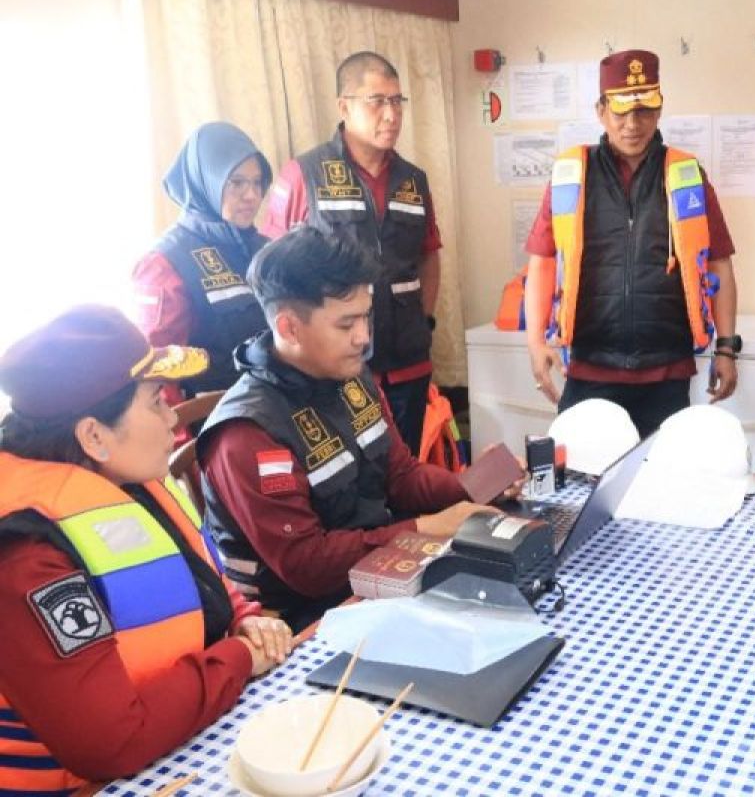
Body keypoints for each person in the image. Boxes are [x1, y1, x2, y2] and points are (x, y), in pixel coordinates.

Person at [0, 306, 293, 791]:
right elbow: (112, 741)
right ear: (94, 435)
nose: (173, 418)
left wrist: (243, 616)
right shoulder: (26, 557)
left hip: (176, 747)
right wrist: (238, 656)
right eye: (157, 401)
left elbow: (194, 581)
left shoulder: (126, 483)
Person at [197, 228, 504, 632]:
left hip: (379, 575)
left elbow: (400, 476)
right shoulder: (246, 434)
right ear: (289, 328)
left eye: (366, 317)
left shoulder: (350, 375)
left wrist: (475, 486)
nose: (363, 337)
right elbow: (307, 565)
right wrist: (423, 529)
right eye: (346, 325)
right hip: (301, 620)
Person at [522, 49, 740, 438]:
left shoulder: (687, 176)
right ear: (601, 110)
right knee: (578, 486)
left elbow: (719, 263)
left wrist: (726, 348)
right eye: (621, 112)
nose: (632, 125)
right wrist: (536, 341)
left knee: (661, 486)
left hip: (666, 371)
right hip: (589, 369)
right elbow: (542, 261)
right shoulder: (571, 175)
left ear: (659, 110)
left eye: (643, 111)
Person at [262, 52, 441, 458]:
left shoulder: (414, 179)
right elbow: (273, 269)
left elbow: (429, 255)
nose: (391, 115)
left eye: (397, 102)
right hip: (336, 371)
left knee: (405, 472)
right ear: (344, 107)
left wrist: (424, 320)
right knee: (348, 484)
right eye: (377, 101)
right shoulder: (304, 173)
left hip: (408, 364)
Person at [131, 122, 272, 401]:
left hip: (276, 411)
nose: (251, 195)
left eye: (257, 182)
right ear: (206, 182)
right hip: (211, 425)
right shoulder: (166, 263)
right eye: (237, 182)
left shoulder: (266, 248)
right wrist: (179, 439)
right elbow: (158, 376)